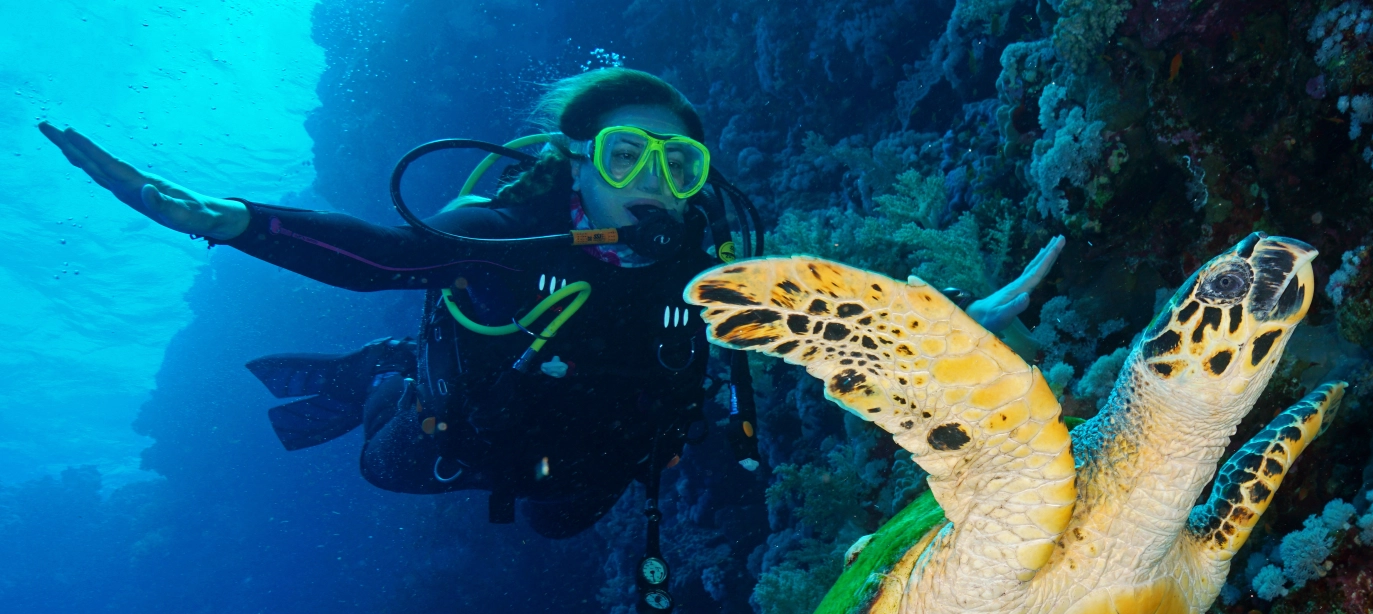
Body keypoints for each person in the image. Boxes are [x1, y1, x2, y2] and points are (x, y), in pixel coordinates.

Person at [40, 68, 1064, 538]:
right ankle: (375, 376)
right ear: (577, 169)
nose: (654, 179)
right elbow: (385, 259)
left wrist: (956, 323)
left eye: (678, 159)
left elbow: (820, 321)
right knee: (386, 465)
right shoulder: (509, 237)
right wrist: (218, 220)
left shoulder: (705, 261)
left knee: (560, 527)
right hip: (463, 428)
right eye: (626, 154)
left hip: (602, 454)